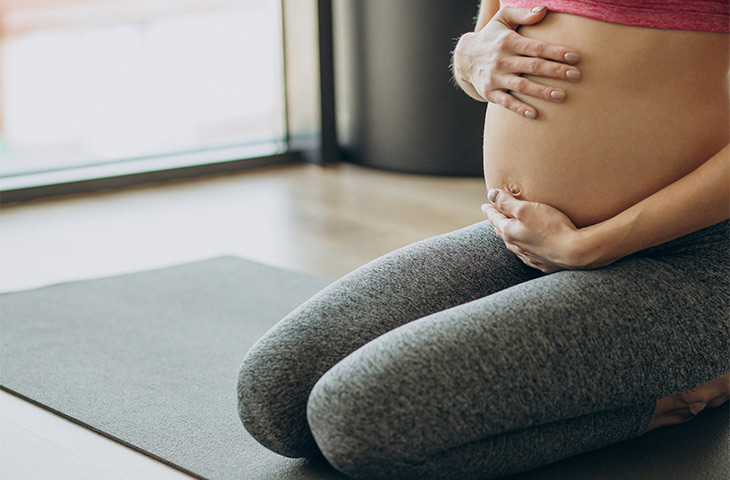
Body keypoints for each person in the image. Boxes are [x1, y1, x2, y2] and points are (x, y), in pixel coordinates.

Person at [238, 1, 730, 478]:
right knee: (274, 397)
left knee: (358, 423)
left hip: (691, 258)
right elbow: (489, 38)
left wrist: (593, 245)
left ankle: (676, 398)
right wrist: (469, 57)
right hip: (520, 242)